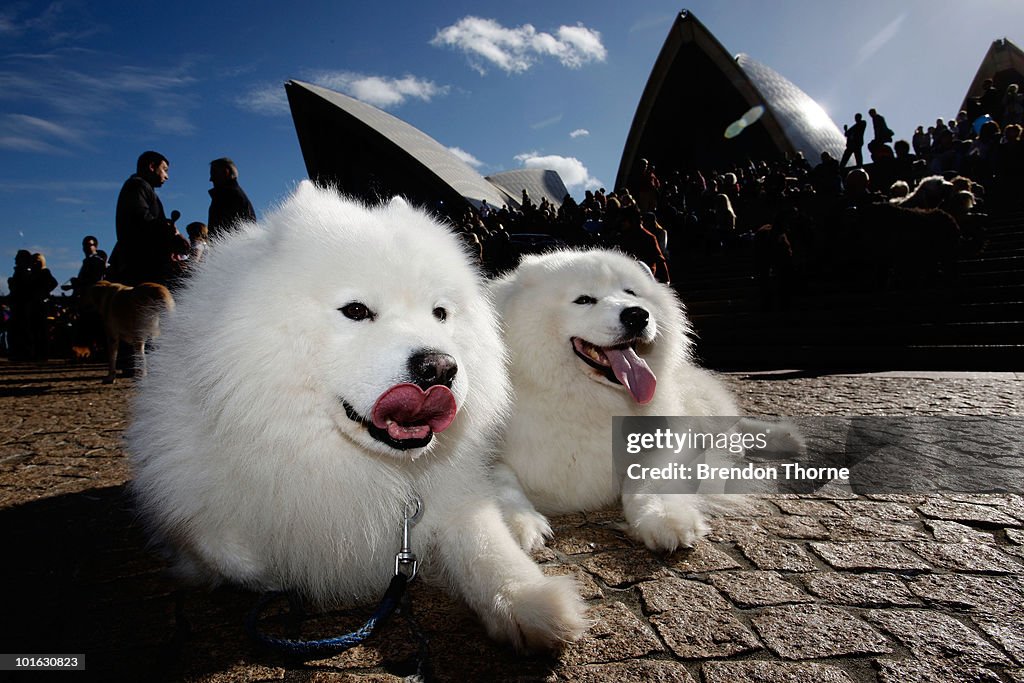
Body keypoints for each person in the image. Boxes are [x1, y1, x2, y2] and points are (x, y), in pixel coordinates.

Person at [109, 151, 180, 285]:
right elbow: (142, 220)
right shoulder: (138, 186)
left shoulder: (141, 187)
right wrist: (172, 234)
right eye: (164, 170)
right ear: (152, 166)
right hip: (141, 262)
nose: (167, 176)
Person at [207, 157, 256, 237]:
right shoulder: (227, 196)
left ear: (226, 172)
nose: (211, 179)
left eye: (214, 173)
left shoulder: (231, 197)